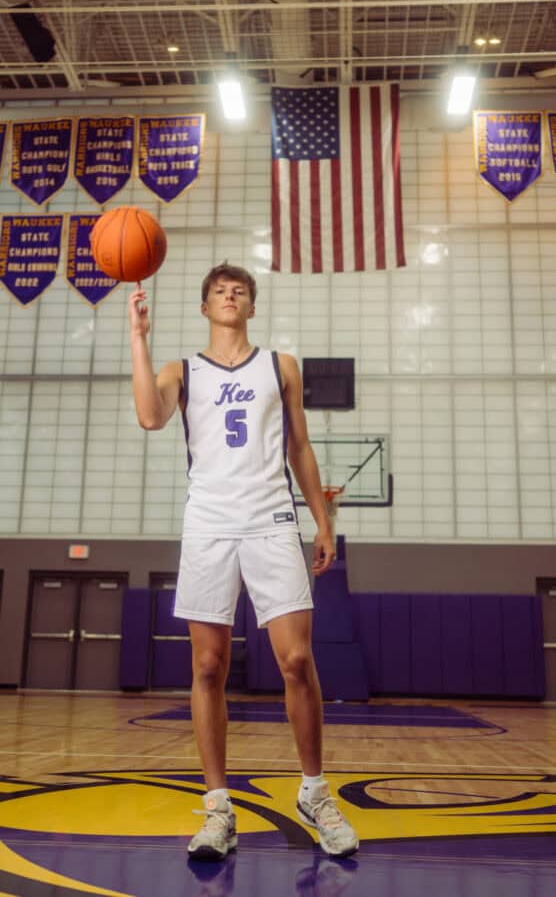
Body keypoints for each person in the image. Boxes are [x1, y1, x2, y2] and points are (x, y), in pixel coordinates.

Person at [128, 262, 359, 861]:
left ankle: (314, 793)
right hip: (207, 523)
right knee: (207, 666)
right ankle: (218, 809)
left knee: (296, 657)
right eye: (219, 292)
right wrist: (138, 337)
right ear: (205, 307)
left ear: (251, 307)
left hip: (271, 518)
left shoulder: (279, 365)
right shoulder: (184, 369)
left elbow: (299, 445)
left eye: (240, 292)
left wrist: (322, 519)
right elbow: (151, 417)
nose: (230, 297)